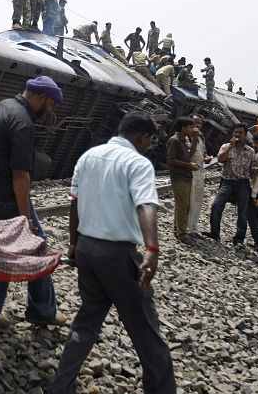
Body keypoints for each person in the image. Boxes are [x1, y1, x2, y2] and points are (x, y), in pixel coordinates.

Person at [50, 112, 176, 394]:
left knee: (86, 323)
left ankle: (60, 387)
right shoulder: (138, 163)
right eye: (149, 140)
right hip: (118, 256)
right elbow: (146, 205)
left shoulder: (88, 157)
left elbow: (74, 203)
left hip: (86, 250)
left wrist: (73, 244)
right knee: (146, 333)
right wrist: (152, 249)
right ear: (142, 136)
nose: (148, 146)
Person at [0, 76, 67, 328]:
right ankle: (42, 311)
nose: (50, 110)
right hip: (5, 199)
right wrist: (26, 219)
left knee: (1, 252)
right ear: (41, 97)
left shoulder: (1, 107)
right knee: (37, 247)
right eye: (51, 104)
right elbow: (21, 176)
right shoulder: (22, 123)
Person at [203, 124, 256, 245]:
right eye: (235, 133)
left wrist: (255, 170)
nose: (237, 135)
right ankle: (214, 233)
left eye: (240, 133)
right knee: (216, 206)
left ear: (245, 135)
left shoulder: (250, 151)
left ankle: (239, 238)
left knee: (242, 212)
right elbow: (220, 159)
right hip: (227, 182)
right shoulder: (226, 146)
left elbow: (252, 166)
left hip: (243, 184)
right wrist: (230, 146)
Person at [166, 118, 198, 244]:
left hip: (185, 176)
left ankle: (178, 231)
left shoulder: (183, 140)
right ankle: (182, 234)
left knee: (184, 206)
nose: (192, 129)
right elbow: (171, 159)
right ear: (183, 128)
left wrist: (190, 163)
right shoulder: (174, 140)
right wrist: (189, 166)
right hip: (179, 177)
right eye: (190, 127)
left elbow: (187, 157)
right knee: (183, 206)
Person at [187, 115, 212, 236]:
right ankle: (186, 228)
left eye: (199, 123)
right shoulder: (186, 136)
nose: (197, 125)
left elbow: (203, 153)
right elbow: (188, 155)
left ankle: (194, 228)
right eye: (194, 123)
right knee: (190, 201)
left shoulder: (201, 137)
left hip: (200, 172)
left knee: (198, 201)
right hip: (189, 173)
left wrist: (206, 158)